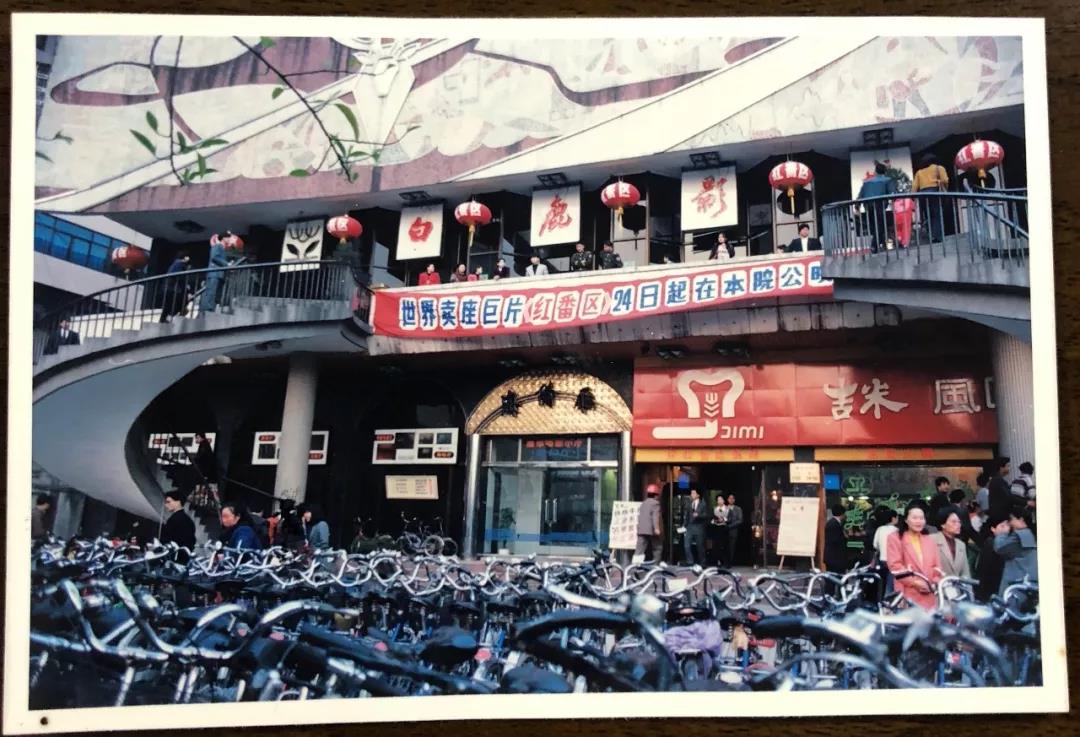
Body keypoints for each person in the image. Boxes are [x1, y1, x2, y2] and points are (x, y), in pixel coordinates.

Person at [886, 501, 942, 610]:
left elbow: (937, 566)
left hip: (929, 593)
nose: (919, 521)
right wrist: (916, 583)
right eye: (915, 518)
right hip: (907, 593)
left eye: (921, 518)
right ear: (906, 520)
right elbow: (895, 566)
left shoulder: (929, 540)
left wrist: (934, 583)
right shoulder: (895, 538)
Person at [994, 506, 1038, 595]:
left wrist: (1001, 533)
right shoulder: (1029, 534)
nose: (1008, 524)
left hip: (1018, 583)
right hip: (1028, 580)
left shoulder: (1020, 535)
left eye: (1010, 520)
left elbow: (999, 547)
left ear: (1021, 520)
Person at [911, 153, 950, 243]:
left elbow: (914, 187)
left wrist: (912, 197)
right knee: (937, 214)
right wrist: (945, 188)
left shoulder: (919, 172)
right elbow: (945, 180)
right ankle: (937, 236)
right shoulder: (939, 168)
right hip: (935, 192)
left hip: (923, 195)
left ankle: (931, 235)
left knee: (928, 215)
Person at [975, 513, 1009, 601]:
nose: (1006, 529)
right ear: (993, 529)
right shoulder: (991, 543)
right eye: (1002, 526)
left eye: (1007, 525)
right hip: (989, 587)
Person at [932, 509, 972, 580]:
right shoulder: (932, 540)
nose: (958, 525)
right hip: (938, 584)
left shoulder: (961, 544)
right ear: (943, 525)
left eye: (959, 522)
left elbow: (965, 572)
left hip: (956, 586)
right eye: (954, 522)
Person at [200, 233, 233, 314]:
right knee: (211, 292)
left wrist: (228, 265)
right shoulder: (217, 246)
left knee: (216, 294)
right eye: (228, 238)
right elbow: (214, 257)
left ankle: (212, 309)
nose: (230, 240)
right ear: (224, 238)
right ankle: (208, 310)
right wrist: (227, 264)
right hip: (214, 273)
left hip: (219, 274)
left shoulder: (223, 249)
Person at [872, 507, 900, 592]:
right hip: (893, 560)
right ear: (893, 518)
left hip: (882, 560)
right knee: (891, 583)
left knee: (882, 581)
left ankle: (881, 596)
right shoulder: (897, 530)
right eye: (897, 517)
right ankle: (888, 597)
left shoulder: (880, 529)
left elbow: (875, 545)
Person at [159, 252, 192, 323]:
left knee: (168, 306)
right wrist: (187, 289)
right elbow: (180, 278)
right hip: (173, 289)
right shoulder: (180, 264)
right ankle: (167, 319)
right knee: (178, 304)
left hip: (169, 288)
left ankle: (163, 320)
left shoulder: (175, 264)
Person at [635, 484, 662, 563]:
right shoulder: (655, 503)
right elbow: (655, 516)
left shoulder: (643, 503)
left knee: (639, 550)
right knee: (657, 547)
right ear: (656, 495)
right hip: (651, 530)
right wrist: (657, 528)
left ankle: (635, 566)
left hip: (641, 529)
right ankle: (656, 565)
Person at [682, 489, 710, 566]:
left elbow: (707, 515)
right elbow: (687, 516)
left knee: (700, 547)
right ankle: (690, 561)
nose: (692, 495)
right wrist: (684, 526)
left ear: (698, 495)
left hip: (699, 528)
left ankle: (702, 563)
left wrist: (698, 515)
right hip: (689, 527)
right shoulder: (689, 504)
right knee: (686, 545)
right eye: (691, 493)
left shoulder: (703, 504)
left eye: (693, 493)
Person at [823, 504, 848, 573]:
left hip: (833, 558)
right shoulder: (834, 524)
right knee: (834, 577)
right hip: (835, 558)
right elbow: (836, 540)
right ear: (842, 514)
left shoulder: (833, 523)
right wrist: (844, 537)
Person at [723, 494, 743, 567]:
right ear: (727, 500)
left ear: (734, 500)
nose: (731, 500)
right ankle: (724, 562)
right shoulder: (724, 508)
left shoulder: (738, 509)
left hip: (733, 531)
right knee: (724, 547)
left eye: (732, 498)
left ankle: (730, 563)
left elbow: (740, 520)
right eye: (729, 498)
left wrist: (730, 526)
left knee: (732, 547)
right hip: (724, 531)